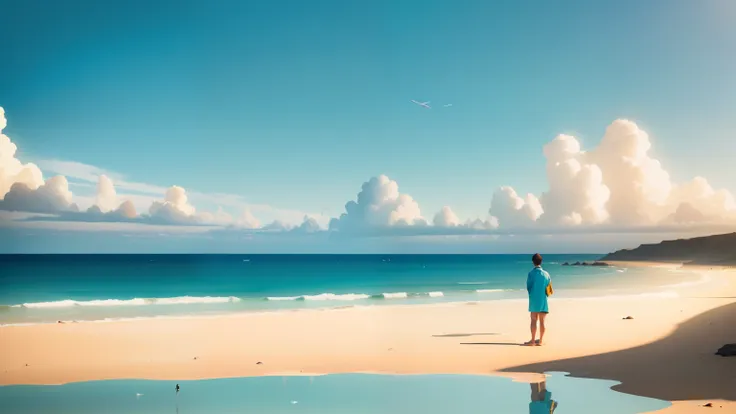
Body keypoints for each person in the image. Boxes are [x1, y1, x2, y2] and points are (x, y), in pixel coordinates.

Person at [524, 253, 551, 346]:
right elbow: (549, 287)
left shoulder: (531, 273)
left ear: (533, 262)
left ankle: (532, 341)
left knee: (533, 320)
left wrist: (532, 294)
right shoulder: (546, 274)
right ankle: (540, 341)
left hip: (534, 299)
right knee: (542, 321)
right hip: (543, 299)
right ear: (541, 262)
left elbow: (528, 286)